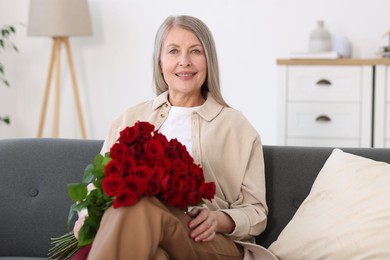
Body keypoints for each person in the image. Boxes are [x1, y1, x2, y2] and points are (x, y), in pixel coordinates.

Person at [74, 15, 275, 260]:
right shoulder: (130, 118)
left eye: (195, 51)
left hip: (209, 241)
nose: (184, 62)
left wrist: (219, 220)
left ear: (208, 60)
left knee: (139, 208)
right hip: (149, 235)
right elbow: (99, 184)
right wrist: (86, 217)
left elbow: (257, 212)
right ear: (159, 62)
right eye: (173, 51)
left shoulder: (237, 127)